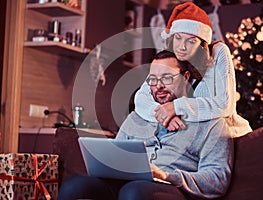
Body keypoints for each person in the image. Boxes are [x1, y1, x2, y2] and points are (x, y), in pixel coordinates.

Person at [57, 50, 233, 200]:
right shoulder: (137, 117)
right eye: (153, 80)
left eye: (167, 78)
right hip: (124, 183)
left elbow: (217, 180)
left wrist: (166, 176)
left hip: (171, 188)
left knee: (134, 192)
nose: (159, 86)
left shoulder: (211, 122)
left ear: (186, 77)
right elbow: (116, 155)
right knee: (74, 187)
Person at [134, 2, 252, 136]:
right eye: (178, 38)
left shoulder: (218, 52)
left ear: (202, 44)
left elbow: (225, 105)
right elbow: (141, 98)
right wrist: (165, 115)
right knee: (135, 121)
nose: (182, 47)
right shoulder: (172, 57)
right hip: (189, 137)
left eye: (191, 41)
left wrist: (177, 107)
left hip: (225, 135)